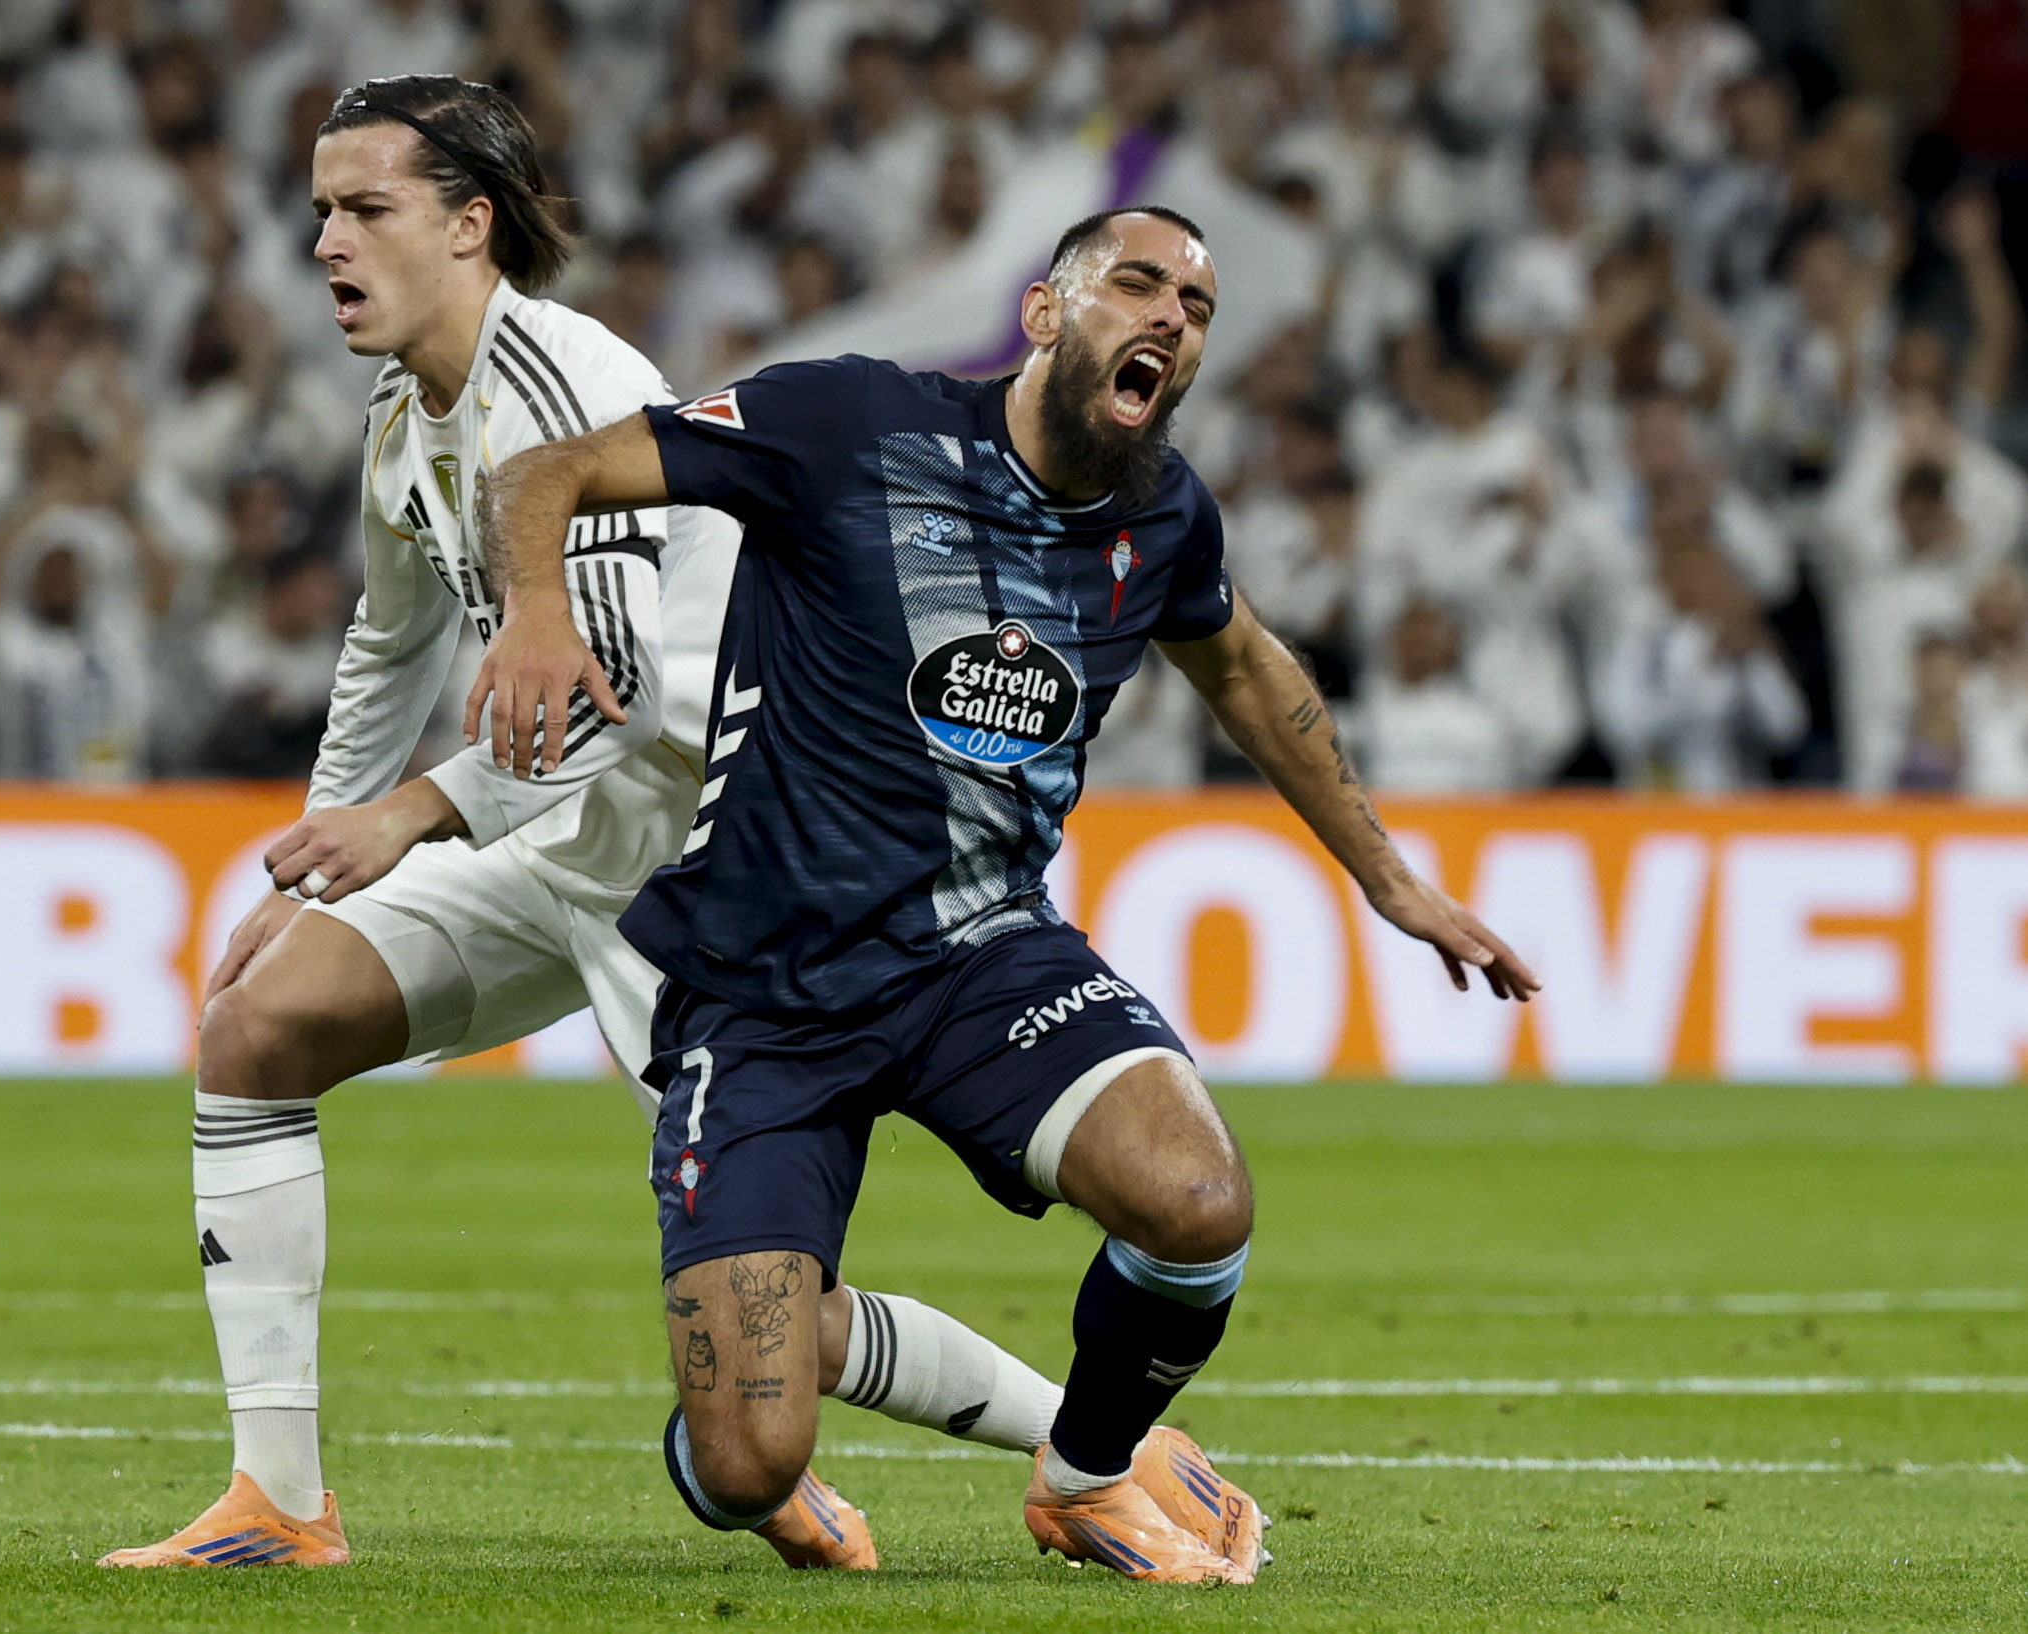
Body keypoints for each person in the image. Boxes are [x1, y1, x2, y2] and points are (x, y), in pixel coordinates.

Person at [470, 206, 1540, 1584]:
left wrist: (1393, 880)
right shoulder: (846, 423)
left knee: (1200, 1197)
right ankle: (773, 1358)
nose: (1169, 316)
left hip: (985, 960)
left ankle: (1086, 1474)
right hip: (768, 990)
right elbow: (548, 470)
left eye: (1198, 306)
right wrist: (539, 614)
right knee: (746, 1464)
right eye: (1136, 283)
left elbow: (1253, 675)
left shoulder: (1162, 516)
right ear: (1044, 313)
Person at [101, 74, 1067, 1573]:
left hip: (697, 884)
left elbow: (603, 691)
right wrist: (313, 856)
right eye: (319, 214)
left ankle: (1105, 1447)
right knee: (255, 1028)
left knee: (779, 1318)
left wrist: (409, 816)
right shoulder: (410, 406)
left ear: (470, 223)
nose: (326, 244)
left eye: (365, 209)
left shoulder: (559, 388)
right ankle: (280, 1501)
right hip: (555, 850)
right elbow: (391, 637)